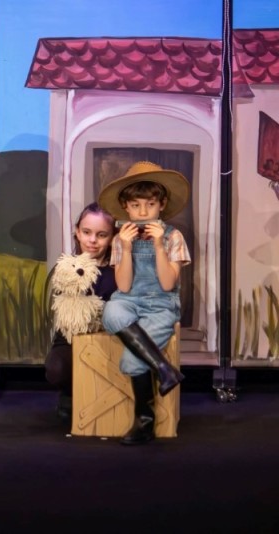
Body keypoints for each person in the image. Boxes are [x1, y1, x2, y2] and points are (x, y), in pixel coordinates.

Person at [98, 161, 191, 446]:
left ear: (161, 205)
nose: (142, 212)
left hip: (161, 305)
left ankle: (145, 421)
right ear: (125, 207)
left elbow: (168, 283)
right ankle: (165, 369)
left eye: (150, 205)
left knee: (131, 360)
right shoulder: (120, 239)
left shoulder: (173, 237)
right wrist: (125, 248)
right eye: (136, 205)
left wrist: (159, 246)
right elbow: (124, 287)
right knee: (111, 311)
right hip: (130, 301)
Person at [45, 202, 117, 422]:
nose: (92, 240)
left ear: (112, 237)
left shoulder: (119, 268)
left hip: (110, 336)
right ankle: (70, 394)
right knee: (57, 369)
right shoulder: (68, 268)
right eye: (86, 232)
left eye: (101, 235)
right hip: (71, 338)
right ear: (77, 232)